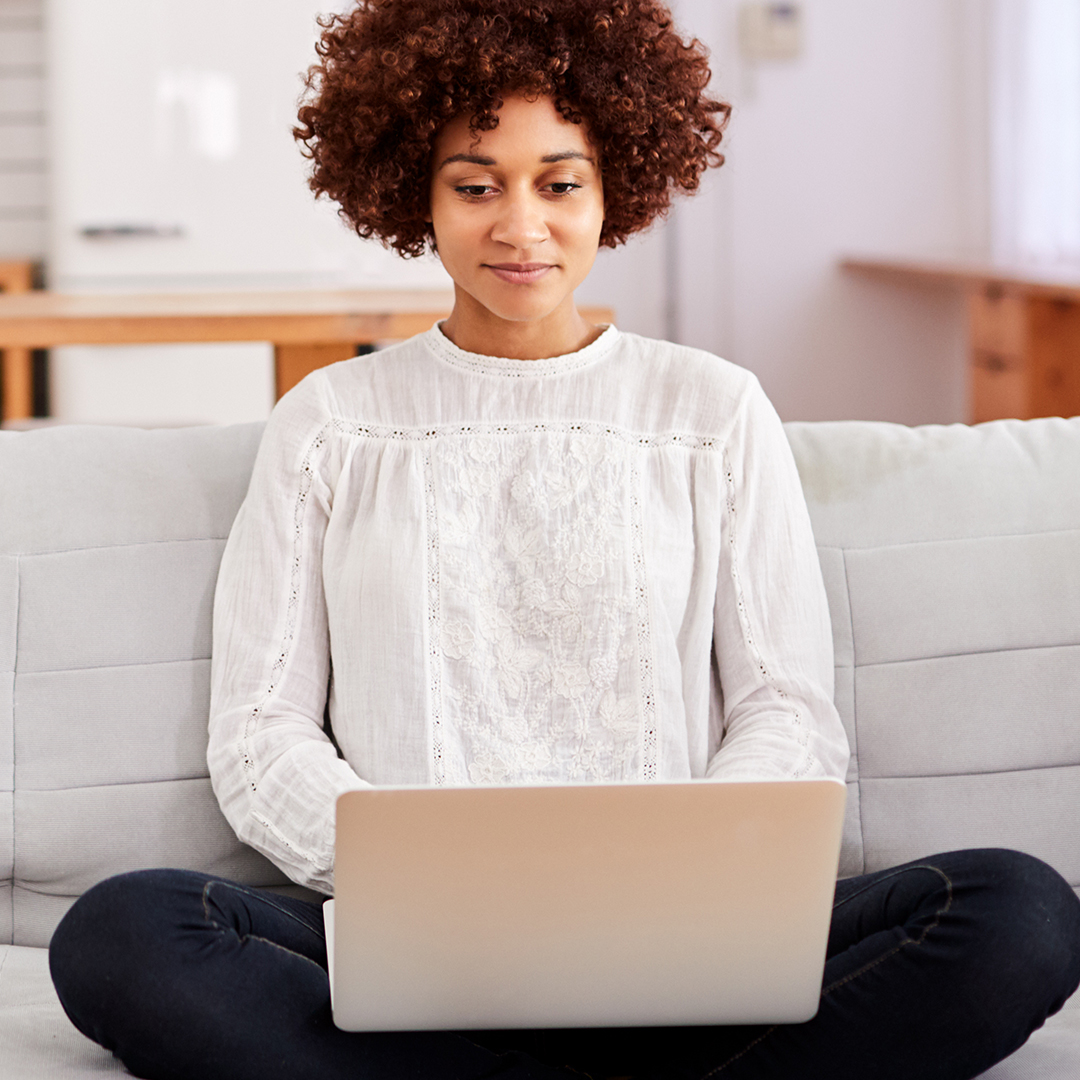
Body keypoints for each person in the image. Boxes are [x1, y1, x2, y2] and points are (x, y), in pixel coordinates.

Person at [48, 1, 1080, 1078]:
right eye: (476, 184)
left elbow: (786, 709)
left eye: (559, 182)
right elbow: (260, 729)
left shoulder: (713, 410)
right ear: (419, 196)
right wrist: (423, 878)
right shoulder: (331, 421)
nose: (520, 227)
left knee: (1016, 911)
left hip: (682, 938)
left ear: (612, 189)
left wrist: (690, 874)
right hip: (410, 942)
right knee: (124, 933)